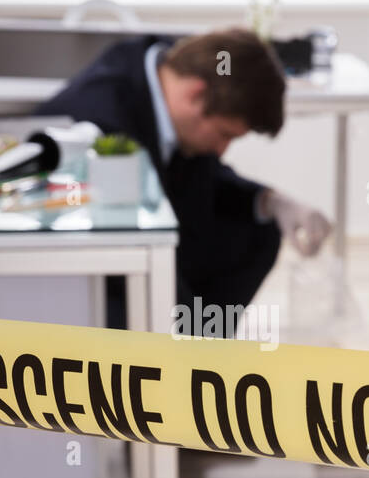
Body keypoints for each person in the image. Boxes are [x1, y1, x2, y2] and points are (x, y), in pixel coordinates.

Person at [35, 27, 331, 331]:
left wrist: (270, 200)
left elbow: (204, 170)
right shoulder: (106, 124)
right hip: (96, 269)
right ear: (196, 95)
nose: (222, 149)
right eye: (224, 135)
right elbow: (135, 249)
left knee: (260, 230)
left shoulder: (174, 68)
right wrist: (189, 334)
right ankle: (190, 354)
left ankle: (203, 346)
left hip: (162, 230)